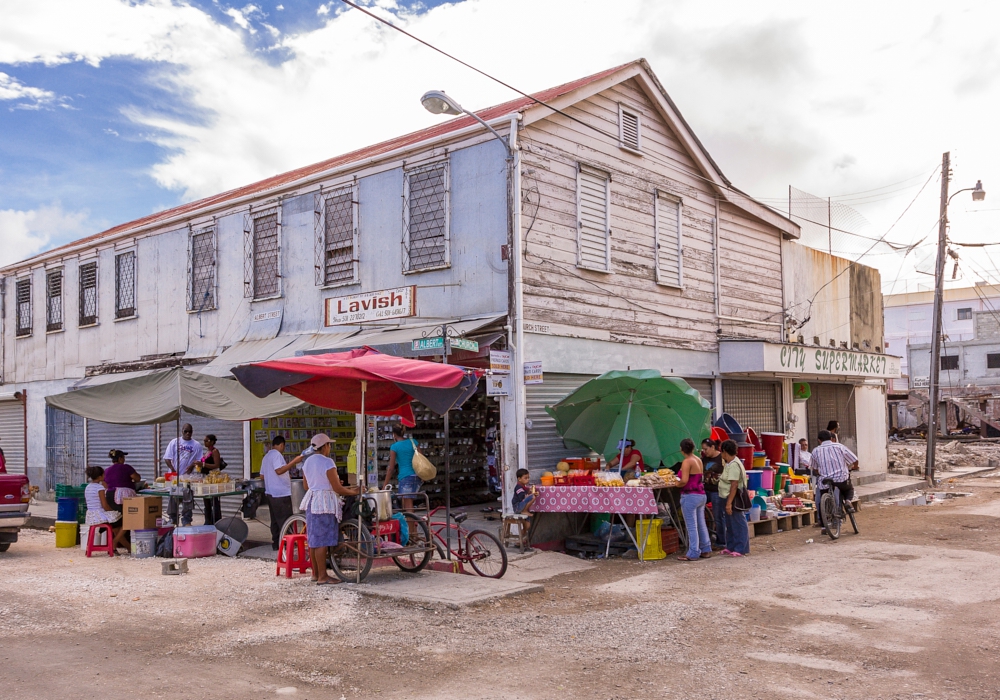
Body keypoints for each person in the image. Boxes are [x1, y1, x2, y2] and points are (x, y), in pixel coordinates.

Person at [300, 434, 360, 585]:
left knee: (314, 540)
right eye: (329, 445)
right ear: (325, 446)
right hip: (324, 504)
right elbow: (337, 488)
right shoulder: (328, 462)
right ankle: (323, 577)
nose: (329, 448)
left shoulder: (307, 462)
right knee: (322, 541)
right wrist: (355, 491)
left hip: (312, 500)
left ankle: (315, 574)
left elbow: (306, 486)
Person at [260, 435, 305, 550]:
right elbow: (279, 470)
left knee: (275, 520)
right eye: (283, 447)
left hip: (271, 493)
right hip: (280, 493)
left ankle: (276, 544)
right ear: (281, 445)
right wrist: (294, 462)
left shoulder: (267, 456)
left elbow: (262, 476)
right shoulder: (276, 455)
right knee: (285, 520)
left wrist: (285, 475)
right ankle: (288, 545)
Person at [811, 429, 858, 531]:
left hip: (825, 481)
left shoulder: (815, 451)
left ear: (819, 440)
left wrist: (821, 472)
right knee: (849, 489)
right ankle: (848, 501)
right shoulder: (839, 447)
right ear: (831, 438)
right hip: (841, 479)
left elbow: (814, 468)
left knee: (821, 498)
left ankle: (824, 526)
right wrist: (854, 467)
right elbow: (854, 459)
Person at [676, 438, 712, 561]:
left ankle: (693, 552)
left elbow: (684, 480)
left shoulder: (687, 462)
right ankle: (706, 548)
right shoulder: (698, 459)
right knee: (701, 523)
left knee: (691, 525)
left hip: (690, 495)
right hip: (701, 494)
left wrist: (677, 484)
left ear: (681, 449)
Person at [84, 466, 130, 551]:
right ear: (100, 476)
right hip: (100, 515)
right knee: (127, 521)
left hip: (91, 516)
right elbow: (105, 505)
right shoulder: (99, 488)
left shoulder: (88, 487)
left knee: (116, 526)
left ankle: (127, 547)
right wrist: (113, 511)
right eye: (103, 474)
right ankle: (115, 542)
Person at [718, 439, 750, 557]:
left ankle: (741, 548)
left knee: (738, 522)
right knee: (730, 523)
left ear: (725, 452)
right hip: (725, 496)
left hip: (733, 498)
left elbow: (734, 484)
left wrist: (729, 503)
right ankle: (731, 546)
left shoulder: (734, 465)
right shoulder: (729, 464)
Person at [384, 425, 419, 512]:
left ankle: (411, 525)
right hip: (417, 475)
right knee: (408, 502)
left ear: (394, 435)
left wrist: (385, 484)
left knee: (408, 506)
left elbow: (391, 468)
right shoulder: (413, 442)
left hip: (405, 476)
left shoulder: (394, 447)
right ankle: (411, 525)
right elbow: (421, 458)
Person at [701, 438, 726, 551]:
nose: (704, 451)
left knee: (718, 516)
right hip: (705, 490)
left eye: (706, 449)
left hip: (718, 491)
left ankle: (721, 542)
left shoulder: (722, 458)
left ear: (712, 447)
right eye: (703, 449)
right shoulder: (703, 459)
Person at [198, 434, 225, 525]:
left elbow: (216, 465)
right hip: (205, 479)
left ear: (212, 442)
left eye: (207, 441)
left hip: (213, 479)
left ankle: (216, 521)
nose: (205, 442)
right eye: (204, 440)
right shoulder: (207, 452)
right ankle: (208, 520)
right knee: (206, 501)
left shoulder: (215, 451)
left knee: (214, 501)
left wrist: (203, 465)